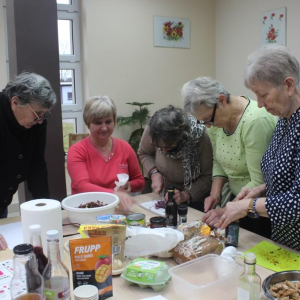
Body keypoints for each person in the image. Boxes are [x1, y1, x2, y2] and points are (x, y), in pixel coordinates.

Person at [202, 45, 300, 251]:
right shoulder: (284, 119)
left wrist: (248, 206)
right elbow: (287, 176)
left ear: (289, 85)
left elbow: (297, 202)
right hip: (283, 241)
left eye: (263, 94)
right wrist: (260, 189)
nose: (260, 104)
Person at [182, 77, 277, 237]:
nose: (208, 126)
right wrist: (215, 193)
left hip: (258, 208)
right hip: (236, 201)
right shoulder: (217, 122)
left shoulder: (255, 121)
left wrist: (226, 210)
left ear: (221, 100)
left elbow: (258, 183)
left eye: (208, 120)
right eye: (202, 122)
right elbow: (218, 160)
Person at [67, 95, 145, 211]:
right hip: (86, 211)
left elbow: (140, 182)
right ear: (88, 123)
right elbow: (82, 186)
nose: (104, 128)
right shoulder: (77, 151)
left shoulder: (125, 147)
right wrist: (114, 194)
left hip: (118, 211)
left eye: (108, 122)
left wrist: (129, 185)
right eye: (98, 123)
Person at [0, 72, 56, 221]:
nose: (40, 120)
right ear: (15, 102)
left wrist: (47, 210)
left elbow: (36, 166)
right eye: (37, 113)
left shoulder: (38, 124)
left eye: (44, 114)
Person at [138, 105, 212, 211]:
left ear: (182, 138)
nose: (163, 152)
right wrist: (154, 173)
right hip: (166, 195)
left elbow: (208, 176)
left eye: (169, 147)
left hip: (197, 201)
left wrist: (186, 195)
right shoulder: (153, 130)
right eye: (159, 147)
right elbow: (144, 153)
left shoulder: (200, 138)